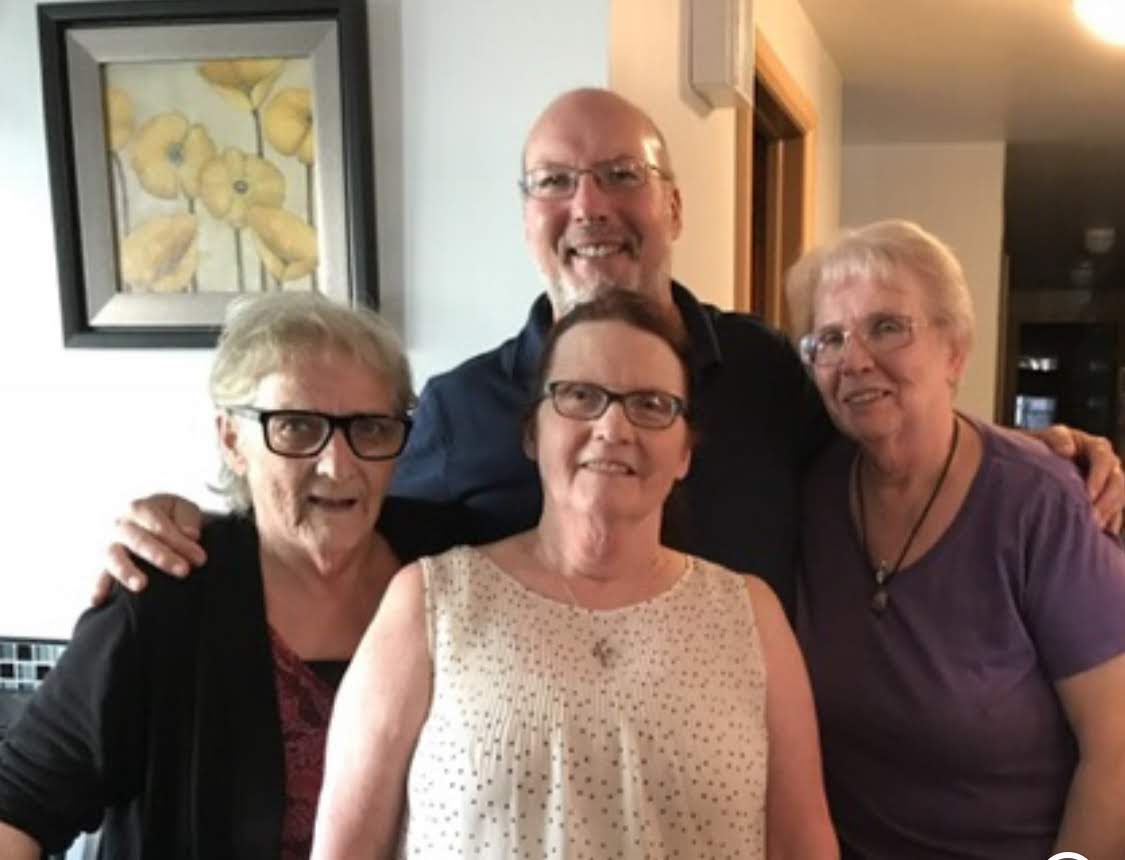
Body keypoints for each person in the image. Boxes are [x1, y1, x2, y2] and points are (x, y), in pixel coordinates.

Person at [96, 87, 1124, 613]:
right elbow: (325, 526)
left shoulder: (769, 370)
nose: (588, 206)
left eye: (621, 175)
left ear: (672, 205)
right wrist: (192, 528)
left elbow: (891, 437)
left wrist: (1038, 452)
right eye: (554, 182)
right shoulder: (452, 410)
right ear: (527, 218)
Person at [311, 290, 838, 859]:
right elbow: (347, 848)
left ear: (685, 452)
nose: (613, 427)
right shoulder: (431, 603)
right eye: (580, 396)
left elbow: (802, 844)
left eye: (651, 404)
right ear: (532, 434)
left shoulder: (748, 617)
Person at [0, 293, 426, 858]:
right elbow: (19, 805)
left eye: (370, 428)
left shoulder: (451, 570)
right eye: (296, 426)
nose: (337, 464)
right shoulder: (162, 596)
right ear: (231, 439)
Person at [789, 220, 1125, 859]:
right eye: (829, 338)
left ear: (955, 352)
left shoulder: (1041, 504)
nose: (854, 359)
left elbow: (1118, 753)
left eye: (887, 326)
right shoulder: (812, 490)